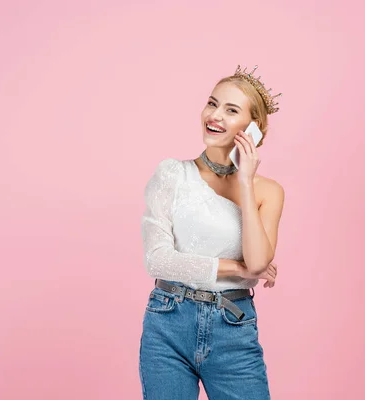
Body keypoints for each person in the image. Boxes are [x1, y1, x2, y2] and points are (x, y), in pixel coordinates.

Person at [138, 65, 284, 400]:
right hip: (168, 322)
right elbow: (158, 261)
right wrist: (237, 268)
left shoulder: (268, 192)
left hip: (233, 328)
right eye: (212, 103)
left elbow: (259, 260)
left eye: (231, 110)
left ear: (254, 129)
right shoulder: (172, 174)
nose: (214, 115)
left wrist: (245, 181)